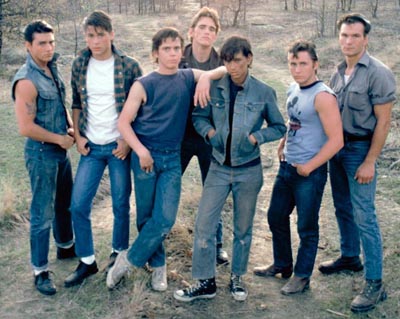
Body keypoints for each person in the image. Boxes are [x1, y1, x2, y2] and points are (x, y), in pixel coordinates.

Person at [106, 27, 226, 292]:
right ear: (155, 54)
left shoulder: (185, 77)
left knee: (165, 218)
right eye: (166, 49)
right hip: (145, 157)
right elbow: (123, 123)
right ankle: (158, 267)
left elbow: (225, 70)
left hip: (172, 158)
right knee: (147, 215)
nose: (172, 53)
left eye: (176, 48)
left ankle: (128, 260)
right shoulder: (144, 84)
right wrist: (140, 151)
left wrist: (205, 77)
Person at [173, 35, 286, 302]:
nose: (232, 67)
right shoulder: (215, 87)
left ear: (249, 59)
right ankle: (205, 282)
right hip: (218, 168)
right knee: (203, 224)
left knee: (243, 228)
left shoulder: (264, 92)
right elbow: (198, 116)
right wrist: (210, 133)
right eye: (227, 61)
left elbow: (280, 126)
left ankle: (237, 278)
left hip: (249, 170)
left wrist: (257, 138)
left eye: (237, 60)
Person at [317, 13, 396, 313]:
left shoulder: (378, 73)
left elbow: (384, 122)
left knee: (365, 214)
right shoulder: (338, 72)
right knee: (342, 207)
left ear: (365, 39)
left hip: (361, 151)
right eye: (344, 36)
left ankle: (375, 284)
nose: (348, 41)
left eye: (354, 36)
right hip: (337, 149)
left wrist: (370, 161)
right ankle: (350, 256)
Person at [253, 40, 343, 295]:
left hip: (309, 173)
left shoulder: (323, 96)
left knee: (306, 226)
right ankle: (282, 264)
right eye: (293, 63)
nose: (297, 69)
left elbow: (337, 140)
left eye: (303, 63)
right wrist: (283, 142)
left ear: (315, 64)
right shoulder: (294, 88)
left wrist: (310, 166)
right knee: (275, 216)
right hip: (287, 167)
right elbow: (296, 121)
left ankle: (302, 276)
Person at [64, 10, 143, 287]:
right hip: (91, 146)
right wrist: (78, 136)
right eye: (90, 35)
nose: (95, 41)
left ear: (111, 34)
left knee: (121, 204)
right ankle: (87, 261)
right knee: (78, 205)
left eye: (100, 35)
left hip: (118, 146)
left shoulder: (129, 66)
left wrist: (126, 141)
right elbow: (75, 102)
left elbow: (141, 108)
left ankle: (118, 254)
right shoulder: (79, 64)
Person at [12, 20, 76, 295]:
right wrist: (58, 138)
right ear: (28, 46)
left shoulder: (51, 67)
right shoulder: (27, 80)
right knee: (42, 213)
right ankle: (40, 271)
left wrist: (70, 129)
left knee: (65, 203)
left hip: (60, 150)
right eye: (42, 43)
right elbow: (25, 127)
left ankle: (65, 247)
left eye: (51, 42)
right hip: (41, 153)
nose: (49, 48)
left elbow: (58, 106)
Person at [179, 7, 228, 265]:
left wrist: (210, 75)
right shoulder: (178, 56)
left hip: (209, 135)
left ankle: (216, 244)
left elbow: (230, 74)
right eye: (202, 27)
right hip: (179, 135)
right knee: (167, 186)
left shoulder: (222, 62)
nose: (207, 32)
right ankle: (156, 238)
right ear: (191, 31)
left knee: (214, 190)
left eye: (212, 29)